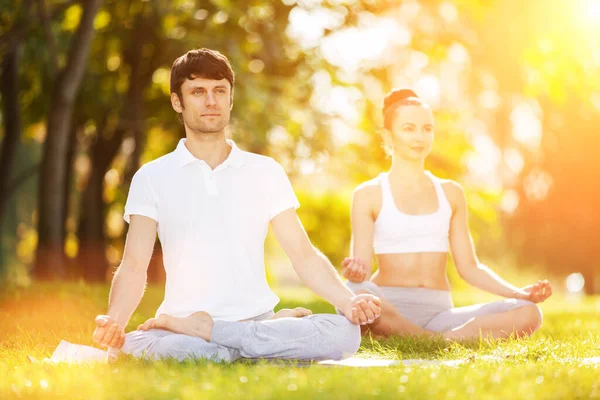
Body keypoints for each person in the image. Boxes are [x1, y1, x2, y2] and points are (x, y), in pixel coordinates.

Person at [91, 48, 381, 362]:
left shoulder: (265, 171)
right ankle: (251, 342)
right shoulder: (151, 177)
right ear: (178, 101)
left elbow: (303, 255)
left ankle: (226, 337)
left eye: (219, 91)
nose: (211, 101)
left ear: (231, 98)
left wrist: (349, 301)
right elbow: (133, 266)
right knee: (168, 348)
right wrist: (116, 321)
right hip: (181, 330)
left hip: (254, 320)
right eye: (198, 92)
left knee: (344, 332)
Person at [340, 88, 552, 340]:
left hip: (440, 314)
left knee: (529, 313)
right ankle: (436, 338)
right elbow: (360, 269)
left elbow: (470, 267)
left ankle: (427, 337)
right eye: (408, 128)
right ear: (388, 136)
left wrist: (519, 294)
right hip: (388, 308)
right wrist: (355, 273)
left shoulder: (451, 193)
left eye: (426, 129)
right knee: (356, 291)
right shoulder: (368, 193)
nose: (419, 136)